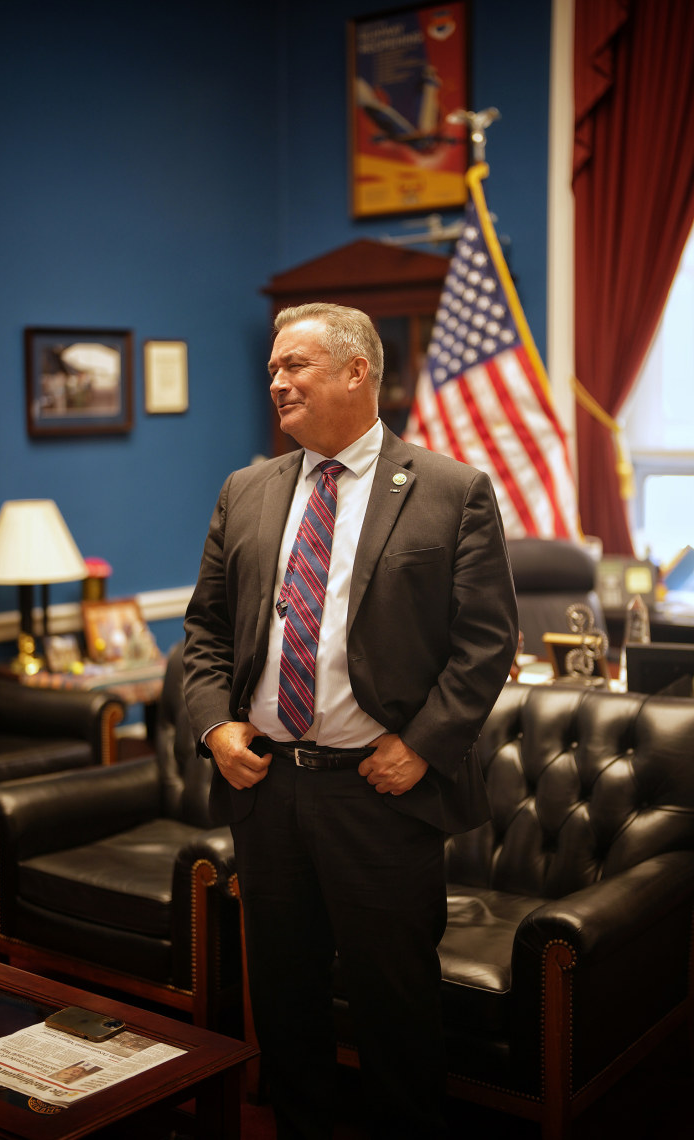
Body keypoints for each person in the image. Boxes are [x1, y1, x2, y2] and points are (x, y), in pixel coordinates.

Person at [183, 302, 518, 1139]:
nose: (277, 382)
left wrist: (422, 747)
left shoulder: (450, 490)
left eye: (294, 365)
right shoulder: (246, 490)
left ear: (356, 371)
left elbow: (485, 643)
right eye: (272, 368)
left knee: (393, 1011)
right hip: (267, 791)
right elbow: (206, 632)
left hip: (379, 794)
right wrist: (216, 728)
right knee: (284, 1003)